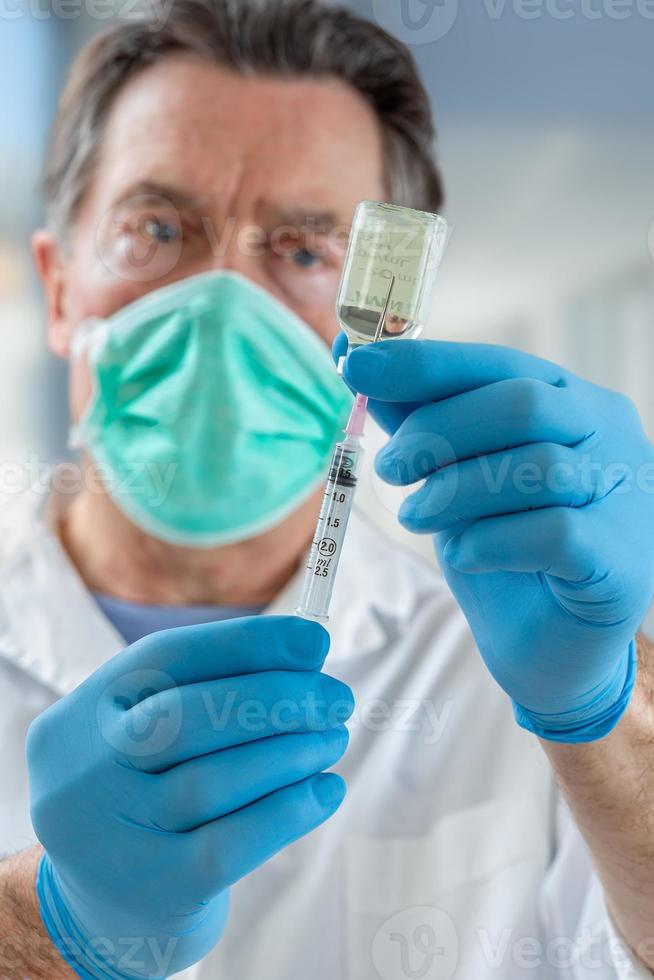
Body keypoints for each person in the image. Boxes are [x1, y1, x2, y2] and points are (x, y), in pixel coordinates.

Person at [1, 1, 654, 978]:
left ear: (386, 320)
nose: (223, 306)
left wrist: (606, 705)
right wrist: (52, 923)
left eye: (304, 252)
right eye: (159, 228)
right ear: (58, 289)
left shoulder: (498, 669)